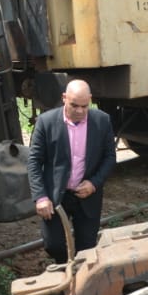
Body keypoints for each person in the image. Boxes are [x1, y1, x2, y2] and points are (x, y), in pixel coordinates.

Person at [27, 79, 117, 263]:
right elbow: (34, 162)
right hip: (56, 196)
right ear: (64, 98)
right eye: (74, 105)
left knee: (87, 248)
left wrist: (94, 183)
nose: (80, 111)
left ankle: (82, 282)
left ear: (90, 100)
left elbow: (110, 157)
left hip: (87, 195)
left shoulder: (102, 121)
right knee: (54, 245)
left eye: (85, 106)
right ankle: (65, 267)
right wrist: (41, 197)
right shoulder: (46, 122)